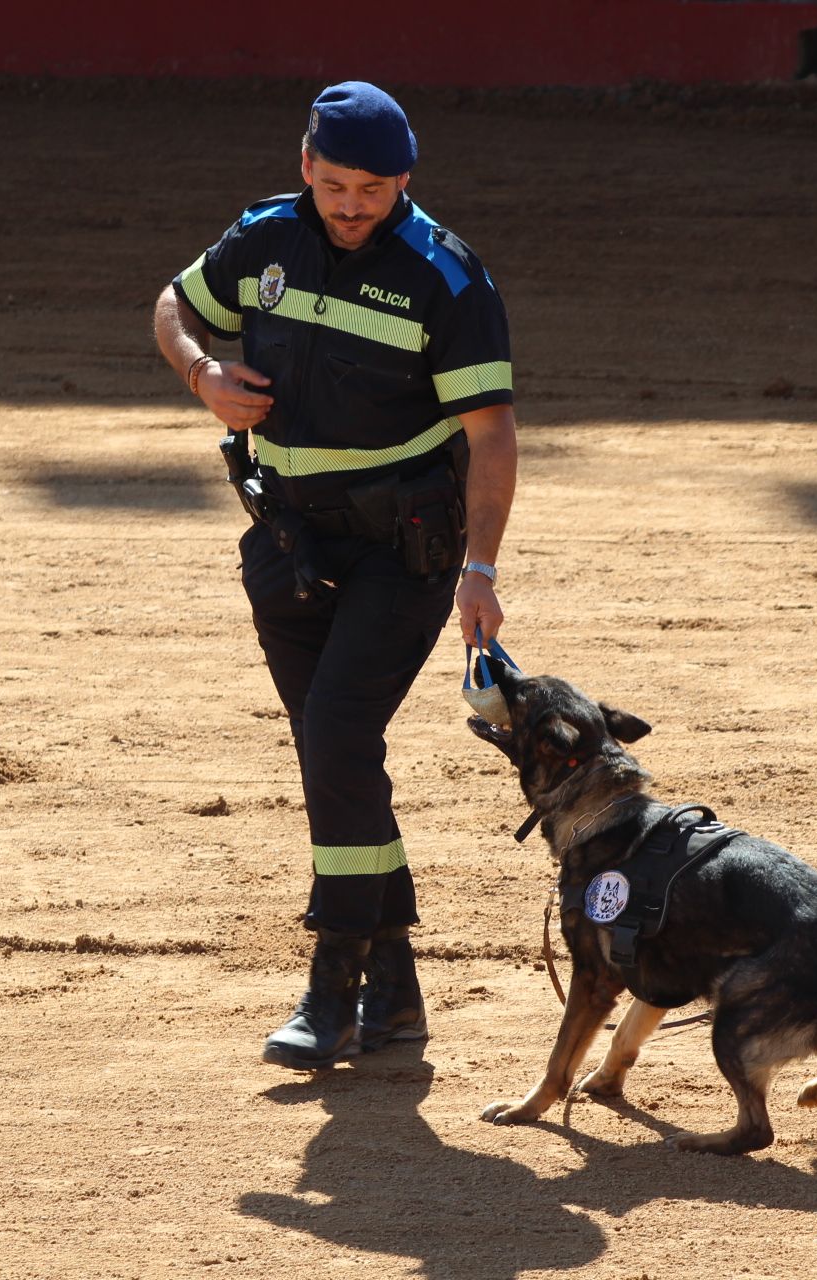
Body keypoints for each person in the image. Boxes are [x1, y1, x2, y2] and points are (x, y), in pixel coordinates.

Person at [152, 81, 518, 1069]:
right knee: (336, 756)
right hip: (286, 542)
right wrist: (204, 377)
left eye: (374, 188)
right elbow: (175, 307)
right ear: (303, 166)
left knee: (337, 736)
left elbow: (490, 434)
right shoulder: (264, 238)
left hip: (404, 549)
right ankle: (394, 995)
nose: (353, 205)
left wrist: (479, 568)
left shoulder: (448, 276)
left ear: (406, 180)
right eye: (335, 185)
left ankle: (336, 985)